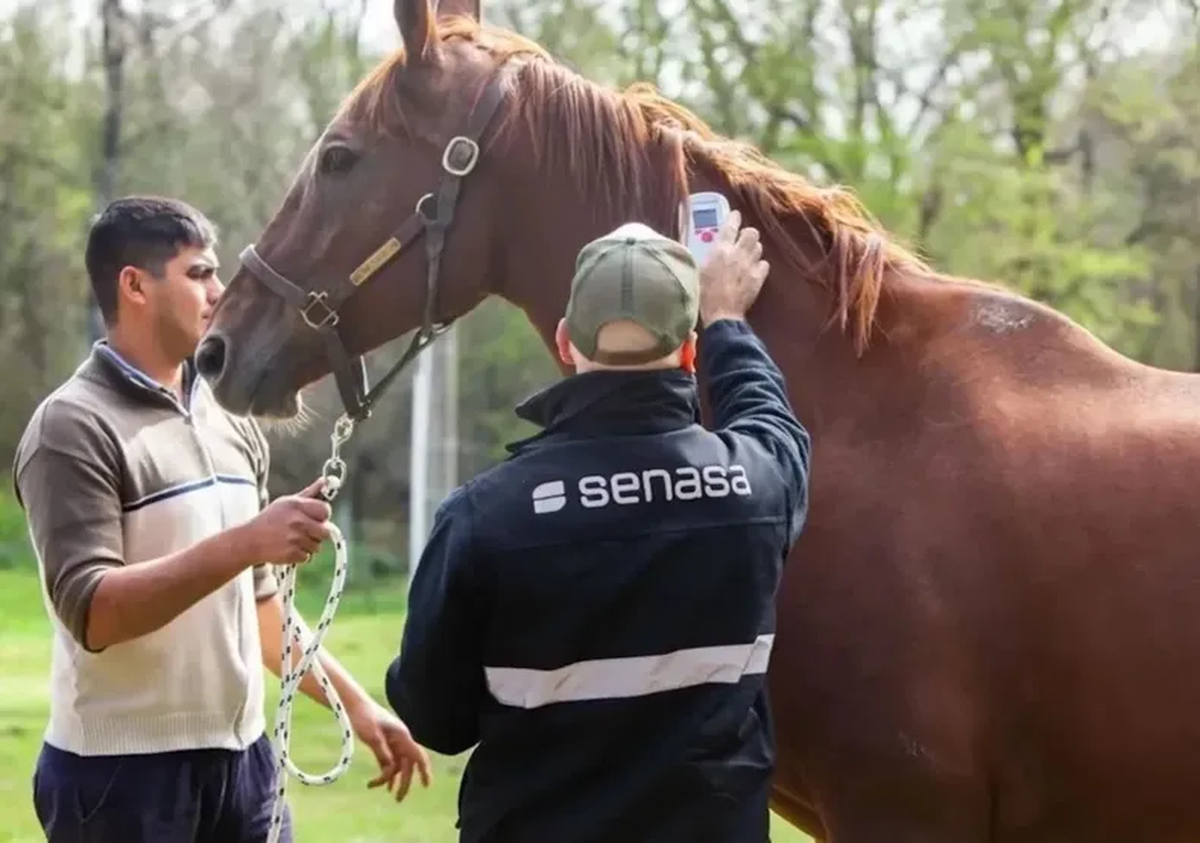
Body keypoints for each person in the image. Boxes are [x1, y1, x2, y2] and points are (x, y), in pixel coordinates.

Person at [12, 196, 432, 843]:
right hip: (119, 782)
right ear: (135, 286)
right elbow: (94, 612)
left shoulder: (230, 420)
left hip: (246, 768)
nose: (220, 291)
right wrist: (244, 543)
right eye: (199, 273)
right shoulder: (71, 426)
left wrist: (358, 705)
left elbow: (258, 606)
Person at [385, 212, 812, 843]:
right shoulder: (759, 483)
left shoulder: (483, 515)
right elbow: (770, 419)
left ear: (564, 342)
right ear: (689, 351)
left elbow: (436, 720)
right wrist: (727, 320)